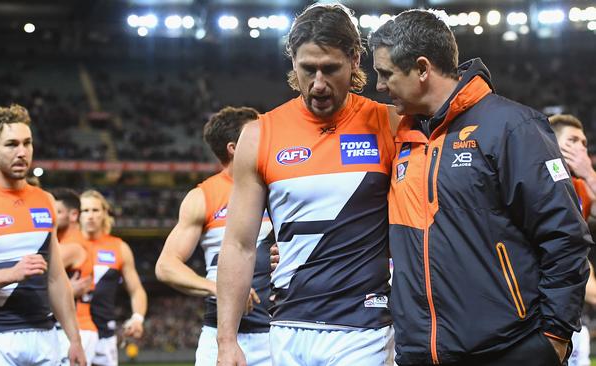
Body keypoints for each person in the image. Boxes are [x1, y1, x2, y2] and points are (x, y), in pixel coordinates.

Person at [368, 9, 591, 365]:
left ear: (423, 69)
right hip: (419, 354)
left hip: (507, 350)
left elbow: (565, 237)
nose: (379, 86)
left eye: (386, 73)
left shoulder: (512, 127)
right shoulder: (402, 140)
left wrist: (554, 335)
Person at [216, 4, 400, 366]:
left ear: (355, 59)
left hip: (365, 328)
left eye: (330, 69)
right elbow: (238, 244)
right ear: (292, 62)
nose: (318, 84)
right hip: (287, 326)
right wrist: (226, 341)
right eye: (307, 69)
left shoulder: (390, 124)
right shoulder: (259, 135)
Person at [0, 104, 85, 365]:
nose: (22, 152)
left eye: (27, 143)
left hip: (47, 339)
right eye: (11, 144)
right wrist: (10, 275)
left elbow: (56, 279)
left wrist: (74, 339)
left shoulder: (45, 200)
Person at [156, 106, 274, 366]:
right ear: (234, 148)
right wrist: (219, 288)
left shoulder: (279, 186)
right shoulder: (203, 196)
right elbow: (166, 266)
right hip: (221, 336)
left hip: (279, 333)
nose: (265, 138)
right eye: (255, 133)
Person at [79, 189, 148, 366]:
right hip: (73, 331)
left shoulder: (119, 248)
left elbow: (136, 290)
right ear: (77, 215)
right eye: (85, 211)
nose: (90, 216)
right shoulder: (67, 245)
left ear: (104, 213)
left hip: (105, 334)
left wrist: (137, 318)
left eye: (95, 210)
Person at [548, 114, 596, 366]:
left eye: (585, 143)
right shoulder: (532, 180)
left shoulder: (580, 189)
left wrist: (589, 174)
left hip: (564, 312)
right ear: (552, 143)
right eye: (573, 140)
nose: (580, 147)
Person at [52, 187, 97, 365]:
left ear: (73, 215)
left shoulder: (73, 246)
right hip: (67, 327)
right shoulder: (67, 243)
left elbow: (34, 276)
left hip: (77, 328)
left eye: (57, 212)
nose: (51, 217)